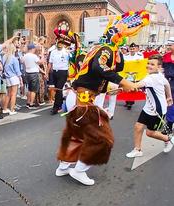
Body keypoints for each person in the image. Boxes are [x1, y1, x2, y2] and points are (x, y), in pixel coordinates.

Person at [55, 10, 149, 185]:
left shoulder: (104, 48)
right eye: (121, 39)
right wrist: (123, 82)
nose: (123, 42)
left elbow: (116, 67)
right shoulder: (104, 49)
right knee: (103, 139)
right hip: (84, 100)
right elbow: (100, 67)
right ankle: (79, 170)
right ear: (116, 36)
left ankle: (63, 166)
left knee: (77, 135)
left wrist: (118, 84)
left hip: (82, 97)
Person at [126, 54, 174, 157]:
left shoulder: (152, 78)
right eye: (148, 63)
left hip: (157, 110)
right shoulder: (158, 75)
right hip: (148, 107)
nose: (148, 66)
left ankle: (168, 139)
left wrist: (120, 84)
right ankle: (137, 150)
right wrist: (169, 97)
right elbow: (166, 84)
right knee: (138, 127)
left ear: (159, 67)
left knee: (150, 133)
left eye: (152, 64)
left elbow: (135, 85)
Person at [47, 40, 70, 115]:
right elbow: (50, 63)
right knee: (57, 89)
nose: (59, 45)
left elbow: (71, 62)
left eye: (61, 43)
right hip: (54, 72)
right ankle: (59, 105)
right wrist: (47, 73)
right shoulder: (53, 52)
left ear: (63, 44)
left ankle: (55, 108)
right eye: (58, 43)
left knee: (59, 89)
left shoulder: (67, 52)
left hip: (63, 72)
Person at [2, 43, 22, 115]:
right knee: (14, 94)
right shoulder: (14, 58)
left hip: (7, 77)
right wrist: (20, 79)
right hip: (14, 77)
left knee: (9, 93)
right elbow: (17, 71)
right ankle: (12, 109)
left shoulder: (4, 57)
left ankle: (5, 108)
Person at [123, 42, 144, 110]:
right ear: (129, 49)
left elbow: (141, 65)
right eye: (131, 49)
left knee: (133, 88)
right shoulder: (125, 56)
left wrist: (139, 62)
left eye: (133, 49)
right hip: (127, 74)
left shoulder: (140, 56)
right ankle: (127, 101)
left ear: (136, 49)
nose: (132, 50)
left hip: (135, 75)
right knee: (127, 88)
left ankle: (131, 102)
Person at [23, 43, 43, 109]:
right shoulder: (33, 56)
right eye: (34, 48)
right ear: (32, 49)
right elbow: (40, 62)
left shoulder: (25, 56)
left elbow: (22, 61)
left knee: (29, 89)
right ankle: (31, 103)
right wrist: (42, 57)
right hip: (34, 73)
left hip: (27, 73)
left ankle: (28, 102)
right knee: (33, 90)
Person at [163, 37, 174, 132]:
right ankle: (169, 125)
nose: (168, 47)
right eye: (168, 45)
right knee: (169, 104)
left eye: (170, 45)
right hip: (168, 84)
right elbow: (161, 69)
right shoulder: (166, 56)